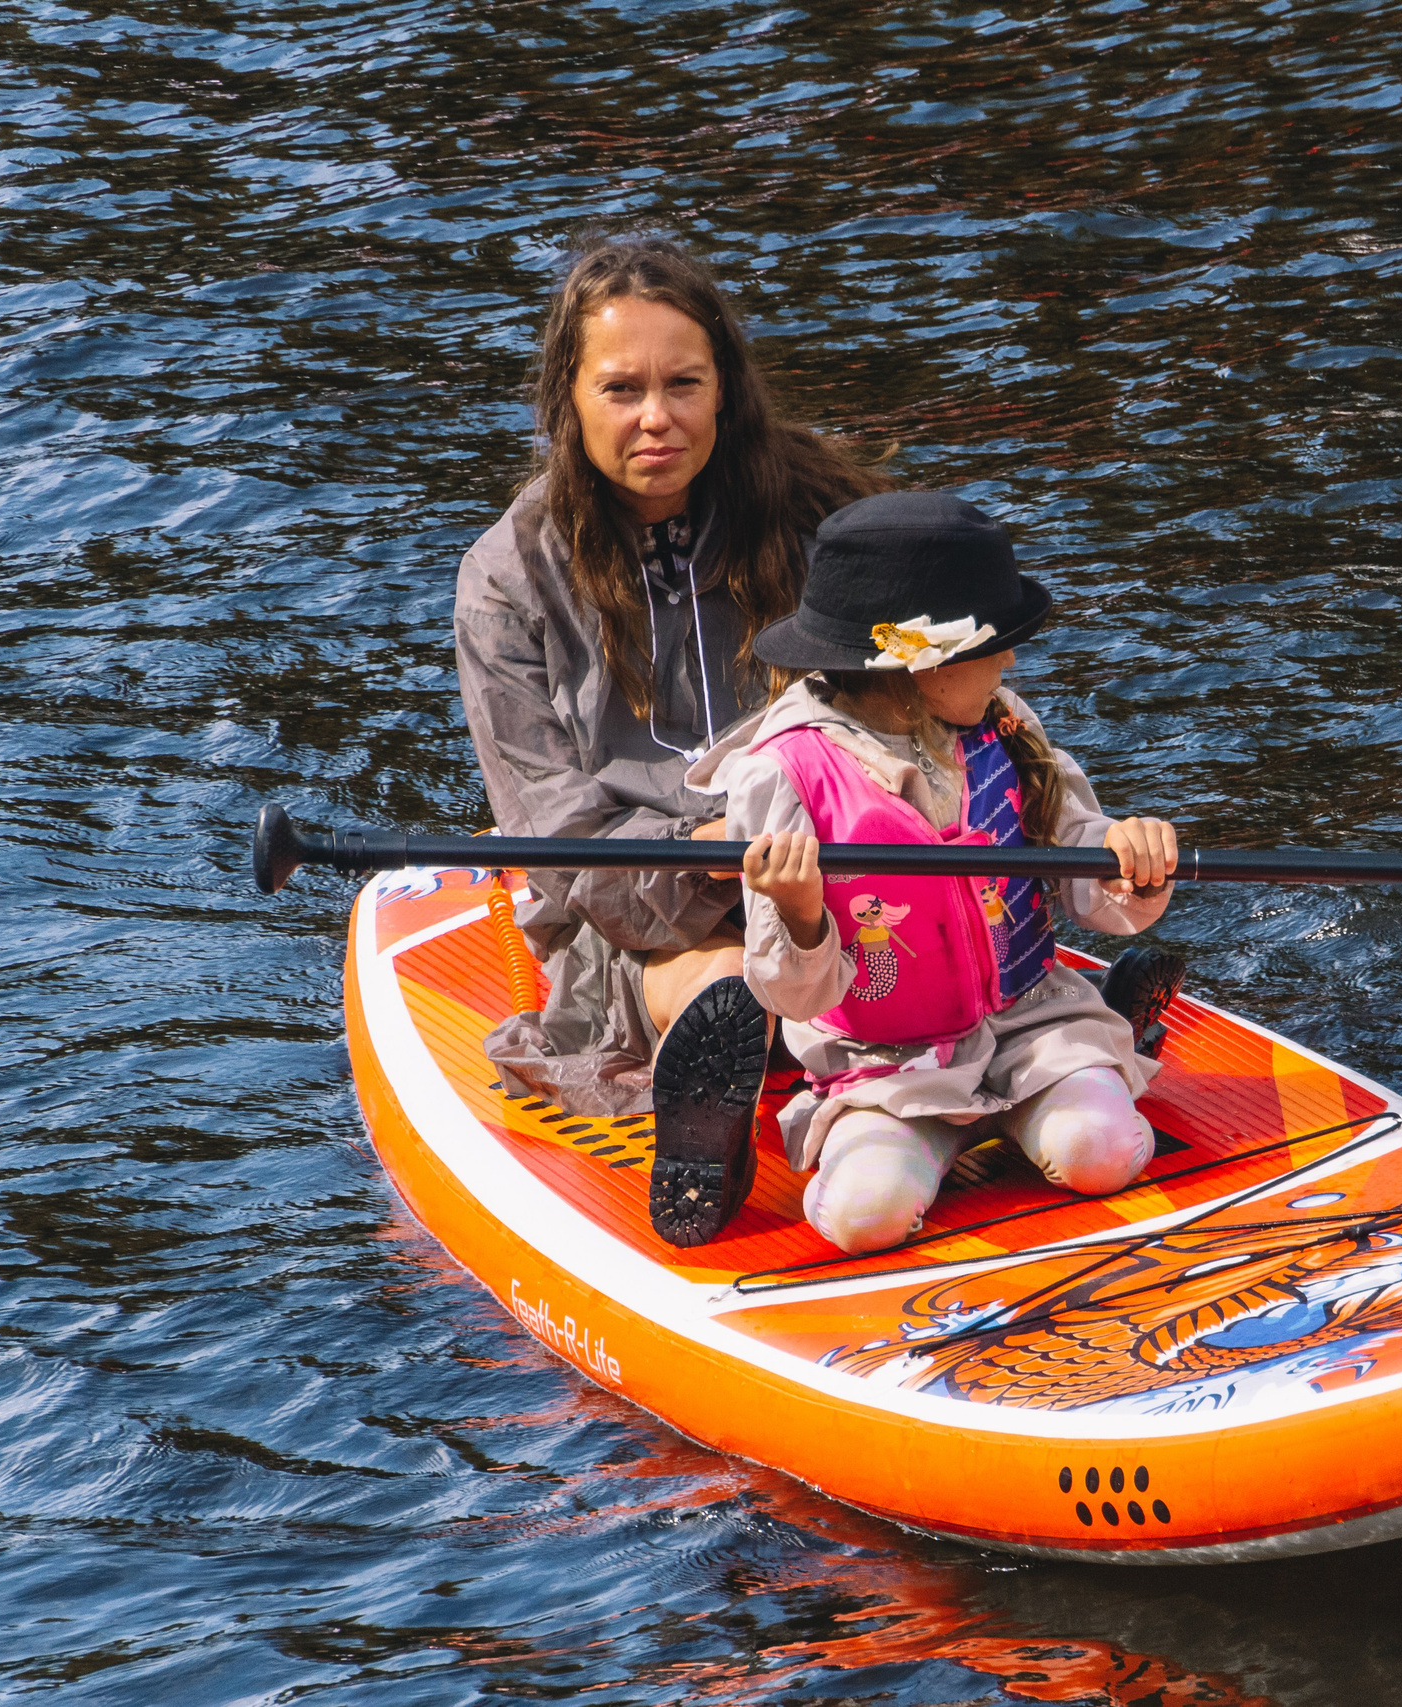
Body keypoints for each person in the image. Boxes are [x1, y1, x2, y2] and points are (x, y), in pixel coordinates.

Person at [453, 235, 887, 1241]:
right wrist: (697, 865)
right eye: (622, 389)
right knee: (729, 983)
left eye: (684, 383)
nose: (658, 418)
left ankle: (1035, 1025)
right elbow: (556, 834)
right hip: (641, 906)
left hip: (839, 860)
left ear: (725, 390)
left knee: (909, 919)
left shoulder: (825, 514)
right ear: (568, 398)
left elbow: (923, 703)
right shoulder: (506, 579)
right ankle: (719, 1095)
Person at [681, 489, 1185, 1254]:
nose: (1011, 658)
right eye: (993, 642)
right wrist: (800, 913)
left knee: (1102, 1152)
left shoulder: (1005, 725)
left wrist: (1129, 861)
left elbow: (1078, 861)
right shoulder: (785, 773)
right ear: (915, 667)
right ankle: (857, 1148)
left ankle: (1088, 1050)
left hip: (1029, 1025)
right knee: (865, 1218)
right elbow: (790, 993)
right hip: (885, 1064)